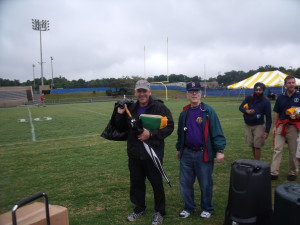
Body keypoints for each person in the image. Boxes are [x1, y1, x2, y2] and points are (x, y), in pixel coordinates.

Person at [115, 80, 174, 225]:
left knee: (156, 183)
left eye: (144, 91)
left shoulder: (159, 107)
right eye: (139, 91)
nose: (142, 94)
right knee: (136, 182)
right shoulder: (131, 108)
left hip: (153, 153)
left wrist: (151, 134)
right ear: (135, 93)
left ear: (149, 92)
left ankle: (159, 211)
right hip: (135, 153)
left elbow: (170, 126)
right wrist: (120, 114)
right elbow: (121, 128)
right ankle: (139, 208)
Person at [176, 81, 226, 219]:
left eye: (196, 91)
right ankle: (189, 207)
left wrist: (219, 150)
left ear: (201, 93)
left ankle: (207, 208)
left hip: (203, 153)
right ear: (187, 94)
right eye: (191, 91)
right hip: (186, 153)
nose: (194, 94)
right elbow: (181, 133)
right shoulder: (184, 113)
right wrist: (179, 149)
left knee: (205, 183)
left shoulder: (208, 111)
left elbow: (217, 131)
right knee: (185, 183)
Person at [271, 75, 300, 181]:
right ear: (285, 85)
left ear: (295, 84)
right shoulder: (281, 97)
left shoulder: (299, 95)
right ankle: (273, 172)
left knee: (293, 150)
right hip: (281, 125)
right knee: (277, 149)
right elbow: (276, 112)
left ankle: (292, 172)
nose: (291, 84)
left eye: (293, 82)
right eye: (289, 83)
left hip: (294, 126)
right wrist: (275, 125)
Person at [239, 82, 272, 160]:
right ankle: (255, 162)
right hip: (248, 124)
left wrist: (267, 131)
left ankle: (257, 164)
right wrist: (246, 111)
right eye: (256, 89)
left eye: (260, 90)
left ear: (263, 90)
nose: (258, 91)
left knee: (257, 146)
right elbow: (240, 107)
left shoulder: (266, 101)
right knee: (252, 145)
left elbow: (268, 117)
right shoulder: (249, 98)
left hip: (259, 125)